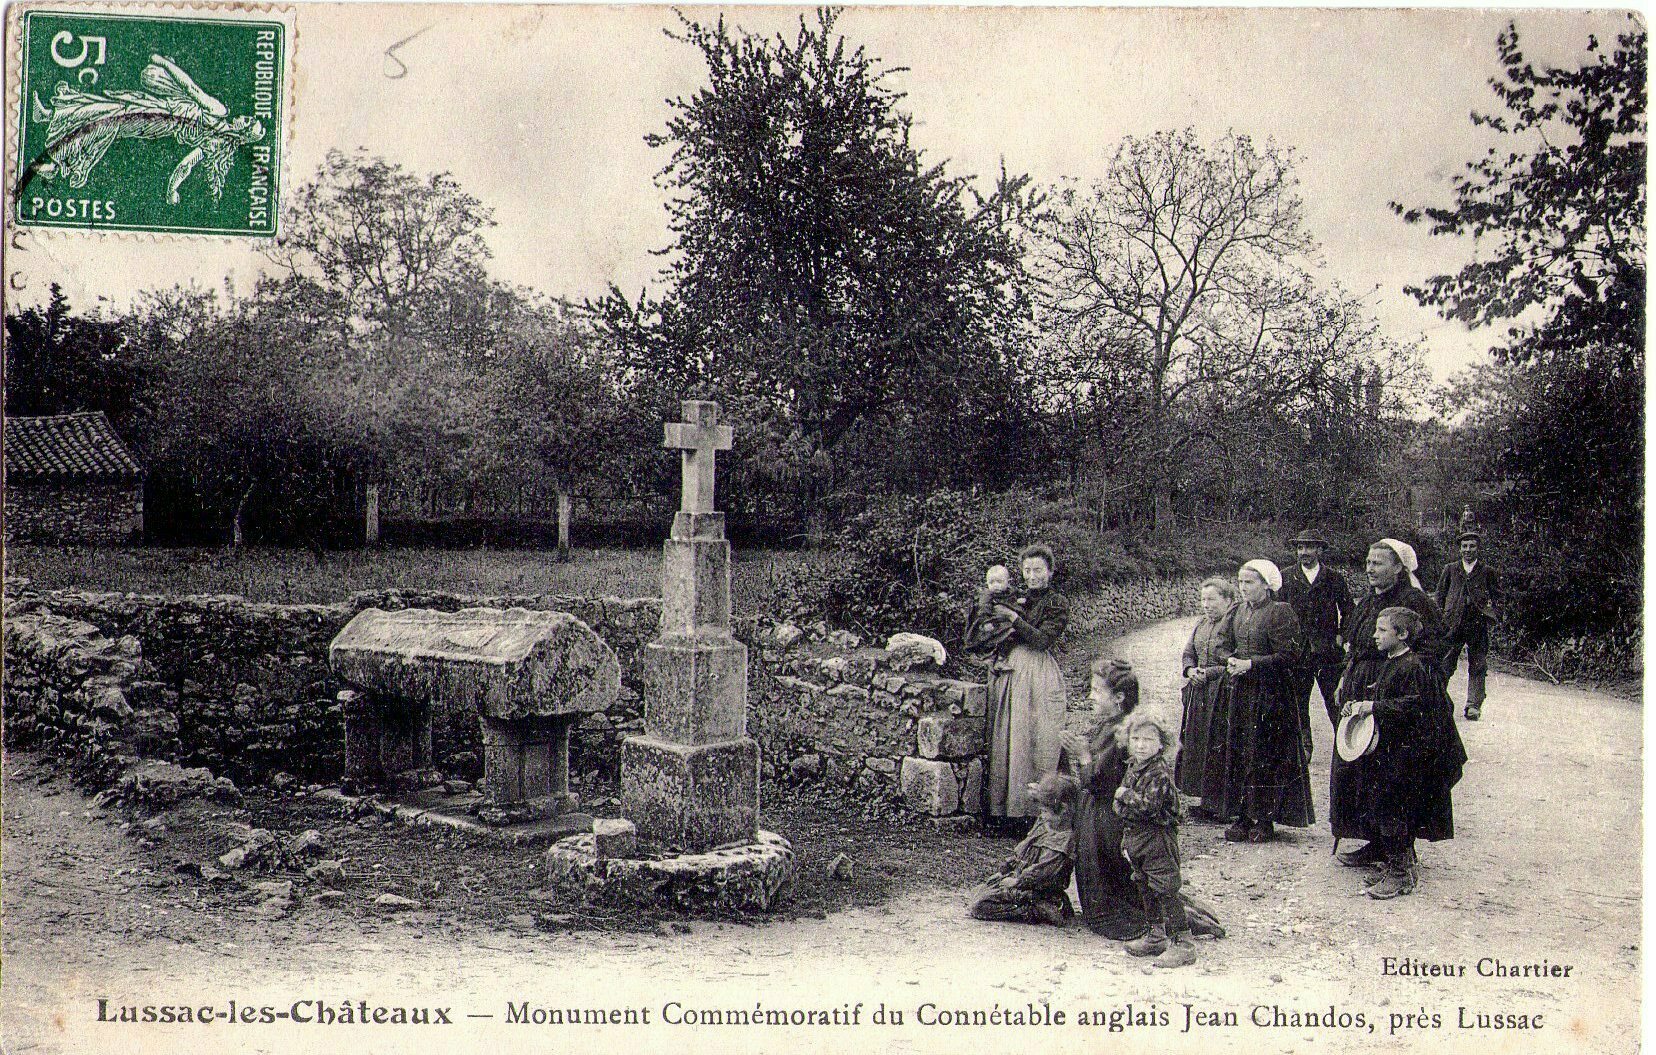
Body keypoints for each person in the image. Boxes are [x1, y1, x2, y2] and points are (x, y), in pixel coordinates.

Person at [1060, 661, 1225, 941]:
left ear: (1119, 698)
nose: (1091, 697)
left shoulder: (1126, 735)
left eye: (1097, 691)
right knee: (1121, 886)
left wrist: (1084, 757)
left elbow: (1103, 783)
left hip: (1108, 822)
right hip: (1097, 817)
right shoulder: (1109, 725)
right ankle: (1183, 916)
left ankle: (1185, 923)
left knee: (1119, 895)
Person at [1334, 607, 1467, 898]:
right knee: (1384, 806)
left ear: (1402, 634)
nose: (1375, 635)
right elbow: (1387, 695)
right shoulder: (1392, 662)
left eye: (1382, 630)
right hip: (1390, 752)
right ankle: (1396, 866)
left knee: (1396, 811)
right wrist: (1358, 704)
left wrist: (1373, 707)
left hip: (1407, 756)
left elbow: (1413, 705)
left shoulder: (1412, 665)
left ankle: (1401, 874)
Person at [1332, 539, 1448, 860]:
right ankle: (1375, 842)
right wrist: (1345, 676)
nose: (1369, 568)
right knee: (1359, 768)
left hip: (1392, 693)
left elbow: (1434, 648)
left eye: (1378, 563)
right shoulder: (1368, 601)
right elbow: (1355, 646)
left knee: (1391, 773)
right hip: (1360, 690)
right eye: (1367, 562)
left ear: (1398, 568)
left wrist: (1397, 671)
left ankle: (1400, 851)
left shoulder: (1413, 601)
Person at [1213, 559, 1314, 843]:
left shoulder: (1280, 612)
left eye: (1250, 582)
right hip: (1241, 692)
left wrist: (1251, 664)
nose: (1244, 588)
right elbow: (1220, 643)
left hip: (1271, 694)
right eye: (1241, 582)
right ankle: (1243, 815)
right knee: (1241, 751)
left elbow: (1288, 656)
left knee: (1266, 754)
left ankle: (1266, 819)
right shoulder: (1237, 611)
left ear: (1267, 585)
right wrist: (1229, 659)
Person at [980, 544, 1070, 823]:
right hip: (1012, 671)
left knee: (1037, 737)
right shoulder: (1014, 598)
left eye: (1038, 570)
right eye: (1027, 570)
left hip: (1039, 672)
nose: (1032, 576)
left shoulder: (1057, 603)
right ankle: (1007, 811)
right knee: (1010, 736)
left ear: (1050, 571)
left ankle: (1035, 812)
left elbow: (1042, 639)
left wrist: (1014, 619)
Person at [1114, 709, 1198, 968]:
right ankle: (1156, 935)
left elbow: (1147, 806)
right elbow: (1117, 807)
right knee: (1144, 884)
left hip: (1158, 838)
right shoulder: (1134, 766)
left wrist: (1124, 795)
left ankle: (1183, 943)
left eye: (1148, 740)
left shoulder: (1159, 773)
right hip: (1137, 837)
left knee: (1165, 889)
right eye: (1136, 738)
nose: (1140, 745)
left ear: (1162, 744)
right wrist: (1124, 799)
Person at [967, 773, 1078, 925]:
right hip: (1021, 881)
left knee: (979, 906)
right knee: (978, 891)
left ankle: (1037, 909)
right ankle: (1040, 904)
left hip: (1035, 890)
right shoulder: (1045, 824)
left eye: (1045, 811)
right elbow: (1022, 852)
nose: (1042, 816)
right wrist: (1004, 871)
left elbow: (1041, 873)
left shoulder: (1063, 840)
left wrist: (1015, 882)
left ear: (1064, 809)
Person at [1277, 529, 1355, 737]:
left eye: (1310, 547)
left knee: (1335, 700)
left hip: (1327, 650)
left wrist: (1341, 635)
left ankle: (1344, 743)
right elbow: (1277, 612)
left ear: (1320, 550)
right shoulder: (1285, 577)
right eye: (1300, 547)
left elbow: (1349, 610)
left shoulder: (1333, 578)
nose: (1304, 552)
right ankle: (1305, 746)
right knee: (1298, 702)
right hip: (1298, 651)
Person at [1175, 577, 1237, 808]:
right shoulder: (1201, 624)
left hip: (1222, 692)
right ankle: (1205, 800)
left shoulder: (1233, 626)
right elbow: (1188, 652)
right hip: (1199, 694)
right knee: (1198, 743)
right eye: (1203, 599)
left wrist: (1210, 673)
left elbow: (1235, 659)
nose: (1206, 604)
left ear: (1228, 600)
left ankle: (1221, 805)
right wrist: (1190, 670)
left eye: (1212, 599)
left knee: (1219, 745)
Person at [1434, 529, 1499, 721]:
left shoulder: (1487, 572)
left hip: (1477, 625)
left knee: (1478, 665)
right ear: (1459, 549)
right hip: (1452, 624)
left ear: (1478, 549)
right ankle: (1436, 701)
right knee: (1445, 662)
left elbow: (1498, 597)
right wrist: (1439, 619)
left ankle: (1473, 705)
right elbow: (1440, 595)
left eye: (1472, 546)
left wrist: (1491, 615)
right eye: (1464, 546)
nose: (1468, 550)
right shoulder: (1451, 569)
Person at [964, 563, 1024, 653]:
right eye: (991, 582)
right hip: (994, 621)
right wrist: (986, 622)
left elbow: (1017, 594)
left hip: (1007, 618)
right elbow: (984, 608)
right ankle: (998, 653)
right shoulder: (987, 595)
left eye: (999, 582)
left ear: (1008, 581)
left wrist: (1020, 599)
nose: (995, 585)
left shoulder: (1011, 591)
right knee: (1001, 635)